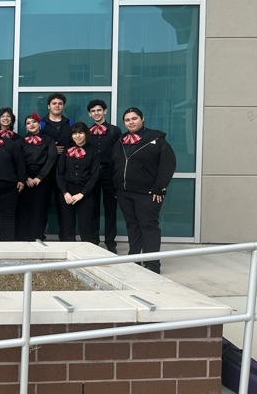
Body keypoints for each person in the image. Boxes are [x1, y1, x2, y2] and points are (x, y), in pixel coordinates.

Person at [112, 107, 176, 274]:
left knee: (148, 226)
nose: (131, 122)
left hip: (148, 193)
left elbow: (167, 165)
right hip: (124, 192)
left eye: (134, 118)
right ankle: (134, 258)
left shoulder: (156, 139)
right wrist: (116, 187)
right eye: (127, 120)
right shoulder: (122, 141)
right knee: (132, 225)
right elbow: (115, 164)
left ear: (142, 119)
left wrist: (159, 188)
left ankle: (152, 264)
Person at [86, 99, 122, 252]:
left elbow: (120, 154)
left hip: (109, 174)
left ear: (105, 111)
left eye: (99, 110)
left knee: (110, 209)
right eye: (93, 111)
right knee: (92, 208)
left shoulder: (115, 131)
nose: (96, 113)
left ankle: (110, 243)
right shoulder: (86, 132)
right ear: (89, 114)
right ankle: (94, 241)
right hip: (93, 174)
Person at [16, 113, 57, 242]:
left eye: (34, 122)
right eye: (28, 123)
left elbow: (52, 158)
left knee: (40, 209)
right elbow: (17, 160)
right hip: (25, 177)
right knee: (24, 208)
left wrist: (40, 177)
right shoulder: (20, 141)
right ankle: (24, 237)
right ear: (25, 127)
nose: (31, 125)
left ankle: (38, 236)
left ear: (39, 124)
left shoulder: (48, 140)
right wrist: (25, 177)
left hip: (42, 179)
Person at [56, 122, 99, 242]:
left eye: (80, 133)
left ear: (86, 134)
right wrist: (65, 192)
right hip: (67, 192)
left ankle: (86, 256)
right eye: (74, 133)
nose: (77, 136)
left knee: (86, 226)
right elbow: (59, 173)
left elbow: (94, 176)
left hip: (85, 193)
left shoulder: (92, 152)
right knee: (67, 227)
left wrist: (82, 193)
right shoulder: (66, 152)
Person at [40, 93, 74, 238]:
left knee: (64, 206)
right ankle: (39, 236)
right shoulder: (40, 123)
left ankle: (66, 238)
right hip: (45, 170)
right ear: (49, 106)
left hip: (65, 170)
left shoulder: (70, 123)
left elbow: (76, 142)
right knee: (42, 204)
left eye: (60, 103)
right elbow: (34, 143)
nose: (57, 105)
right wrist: (50, 147)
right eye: (54, 103)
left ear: (63, 106)